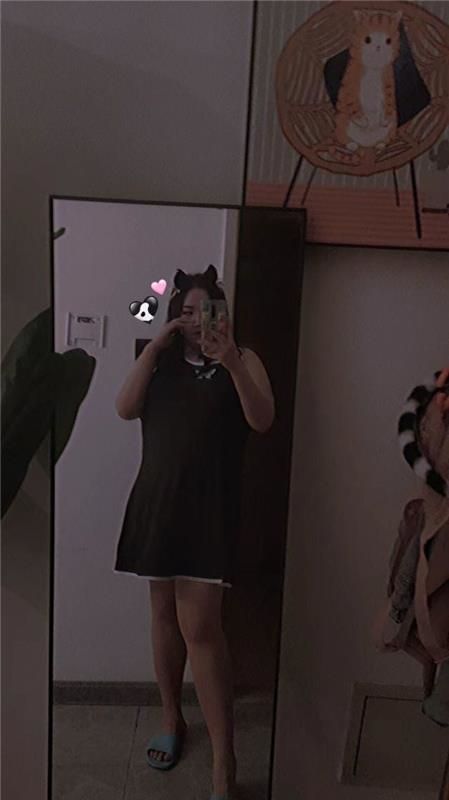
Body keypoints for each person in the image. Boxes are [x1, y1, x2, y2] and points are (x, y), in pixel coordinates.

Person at [114, 264, 275, 800]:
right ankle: (171, 719)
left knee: (202, 628)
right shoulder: (158, 362)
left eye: (206, 311)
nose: (195, 320)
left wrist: (231, 361)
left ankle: (224, 759)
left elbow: (263, 420)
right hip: (158, 506)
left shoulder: (243, 358)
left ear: (221, 315)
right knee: (162, 615)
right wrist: (153, 349)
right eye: (185, 311)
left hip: (209, 512)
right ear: (173, 316)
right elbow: (124, 408)